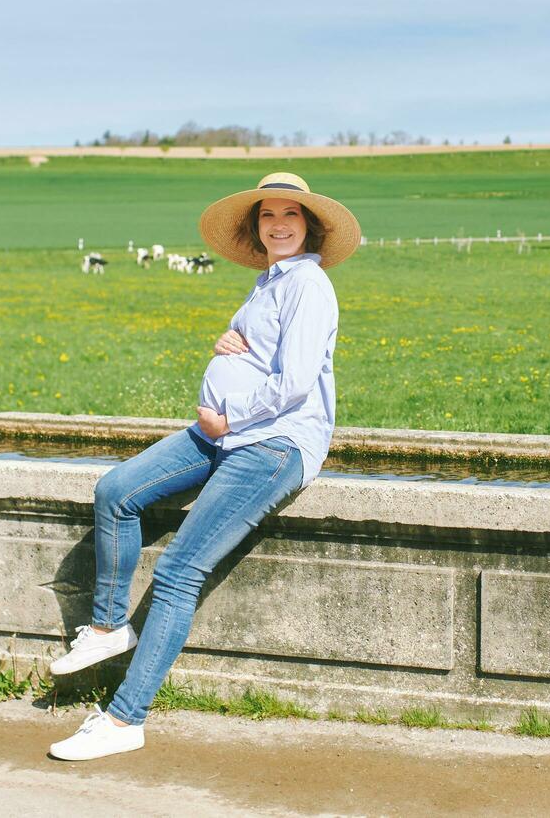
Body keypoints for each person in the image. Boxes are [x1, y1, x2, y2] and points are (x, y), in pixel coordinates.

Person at [48, 172, 361, 761]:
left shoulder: (309, 284)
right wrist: (229, 341)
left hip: (273, 444)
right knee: (117, 490)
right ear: (256, 227)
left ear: (310, 225)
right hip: (224, 435)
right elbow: (260, 352)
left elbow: (294, 385)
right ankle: (111, 626)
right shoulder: (267, 283)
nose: (279, 225)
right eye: (268, 216)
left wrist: (230, 414)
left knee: (178, 571)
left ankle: (124, 720)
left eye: (291, 215)